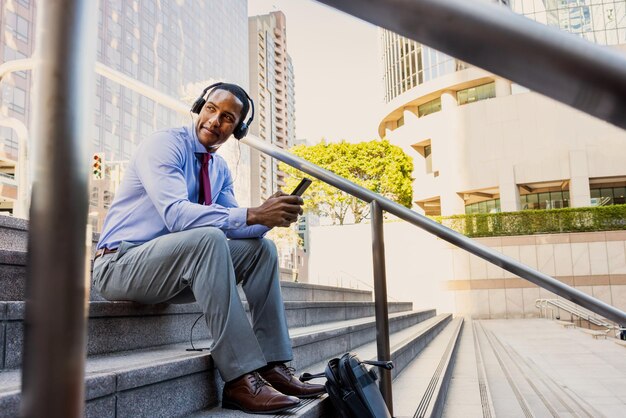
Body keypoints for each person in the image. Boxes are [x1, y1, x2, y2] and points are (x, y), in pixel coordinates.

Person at [92, 82, 325, 414]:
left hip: (170, 272)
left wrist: (272, 215)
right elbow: (177, 216)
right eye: (211, 109)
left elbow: (242, 228)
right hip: (120, 264)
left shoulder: (219, 169)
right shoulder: (165, 145)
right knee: (208, 238)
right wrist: (254, 213)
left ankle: (272, 365)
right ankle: (241, 378)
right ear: (199, 108)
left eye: (228, 117)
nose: (216, 121)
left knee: (262, 251)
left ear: (238, 129)